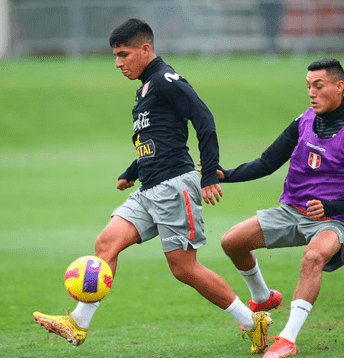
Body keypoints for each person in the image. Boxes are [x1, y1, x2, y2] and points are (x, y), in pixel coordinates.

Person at [32, 18, 273, 354]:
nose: (117, 63)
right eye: (115, 56)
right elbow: (155, 136)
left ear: (145, 49)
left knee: (184, 269)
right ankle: (77, 323)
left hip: (176, 186)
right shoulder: (144, 88)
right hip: (148, 188)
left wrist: (207, 178)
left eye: (124, 54)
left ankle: (252, 322)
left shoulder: (166, 79)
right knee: (105, 245)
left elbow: (204, 120)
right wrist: (132, 169)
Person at [218, 57, 344, 358]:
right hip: (291, 210)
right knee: (231, 242)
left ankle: (287, 338)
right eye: (308, 87)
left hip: (335, 218)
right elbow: (266, 162)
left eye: (318, 86)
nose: (311, 93)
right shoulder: (303, 122)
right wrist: (226, 175)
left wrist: (330, 205)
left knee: (313, 256)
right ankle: (262, 298)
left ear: (339, 87)